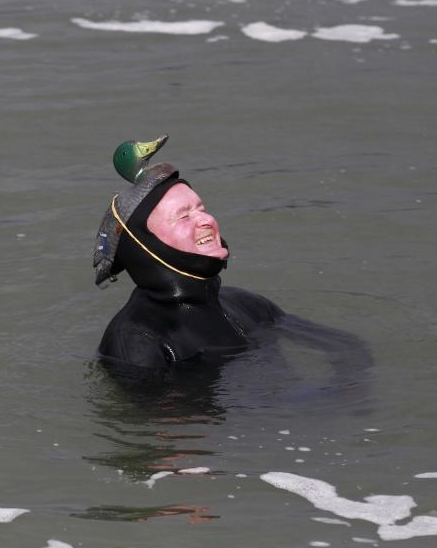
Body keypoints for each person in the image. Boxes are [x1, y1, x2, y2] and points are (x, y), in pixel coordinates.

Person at [93, 136, 370, 381]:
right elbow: (159, 426)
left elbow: (348, 348)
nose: (205, 219)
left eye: (201, 208)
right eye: (184, 216)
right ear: (145, 245)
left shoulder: (247, 305)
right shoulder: (135, 343)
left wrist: (344, 391)